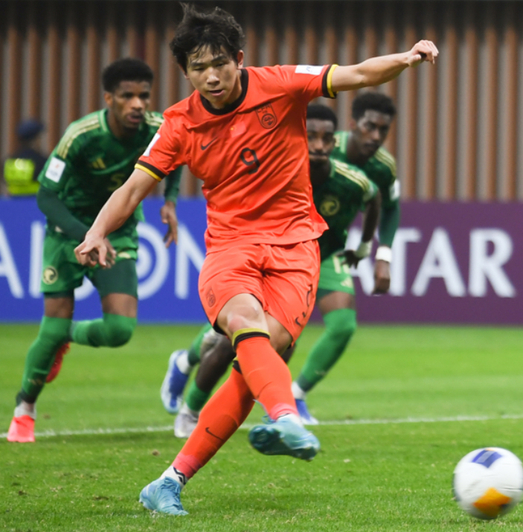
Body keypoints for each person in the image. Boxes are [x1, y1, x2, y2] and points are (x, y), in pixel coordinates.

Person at [74, 3, 437, 515]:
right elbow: (133, 188)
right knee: (246, 324)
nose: (211, 76)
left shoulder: (281, 85)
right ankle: (286, 416)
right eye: (198, 67)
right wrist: (95, 232)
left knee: (257, 360)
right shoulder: (178, 124)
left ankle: (169, 481)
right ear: (185, 72)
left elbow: (356, 74)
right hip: (231, 248)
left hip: (297, 247)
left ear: (239, 59)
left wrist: (407, 57)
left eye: (220, 63)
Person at [161, 103, 381, 437]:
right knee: (231, 342)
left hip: (320, 255)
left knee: (297, 339)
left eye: (325, 138)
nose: (318, 145)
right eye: (310, 136)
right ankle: (190, 407)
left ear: (334, 142)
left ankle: (289, 401)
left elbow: (375, 198)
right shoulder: (274, 168)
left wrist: (365, 246)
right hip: (269, 256)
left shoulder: (351, 180)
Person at [6, 58, 182, 444]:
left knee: (119, 330)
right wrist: (86, 234)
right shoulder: (80, 135)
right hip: (66, 232)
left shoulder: (158, 129)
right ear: (109, 98)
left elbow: (179, 156)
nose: (138, 104)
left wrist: (170, 200)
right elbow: (46, 196)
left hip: (118, 233)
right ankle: (24, 410)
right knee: (51, 322)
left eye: (144, 96)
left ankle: (63, 335)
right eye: (128, 96)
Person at [293, 92, 399, 422]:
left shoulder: (383, 167)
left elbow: (389, 206)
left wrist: (381, 254)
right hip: (287, 248)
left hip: (328, 250)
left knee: (343, 325)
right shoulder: (320, 146)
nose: (376, 136)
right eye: (369, 126)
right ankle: (187, 362)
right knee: (233, 331)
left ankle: (295, 395)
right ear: (353, 124)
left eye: (383, 130)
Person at [2, 119, 48, 197]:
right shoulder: (42, 161)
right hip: (35, 201)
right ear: (36, 139)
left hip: (13, 202)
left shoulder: (8, 162)